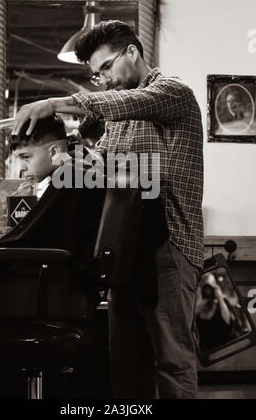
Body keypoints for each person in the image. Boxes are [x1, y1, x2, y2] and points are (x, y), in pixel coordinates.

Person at [12, 20, 204, 399]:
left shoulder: (173, 93)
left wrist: (55, 102)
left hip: (171, 246)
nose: (104, 79)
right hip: (124, 248)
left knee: (172, 360)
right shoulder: (116, 123)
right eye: (96, 74)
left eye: (105, 68)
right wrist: (52, 155)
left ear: (132, 52)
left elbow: (127, 104)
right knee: (126, 360)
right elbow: (101, 170)